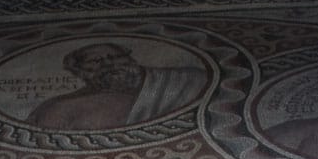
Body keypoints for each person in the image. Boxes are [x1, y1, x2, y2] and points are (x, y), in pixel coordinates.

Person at [26, 43, 207, 129]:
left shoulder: (185, 79)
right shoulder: (62, 107)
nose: (109, 65)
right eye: (96, 61)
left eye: (115, 57)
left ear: (131, 59)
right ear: (80, 73)